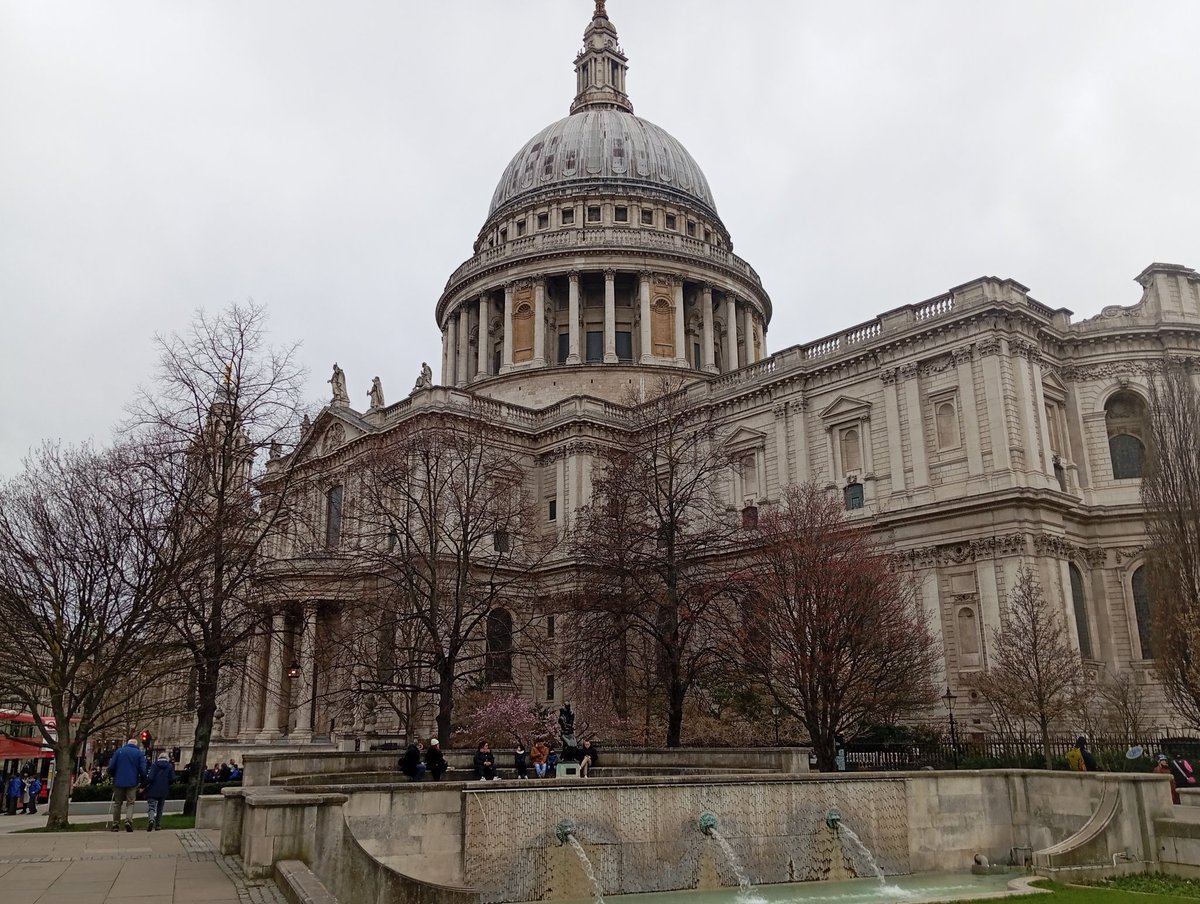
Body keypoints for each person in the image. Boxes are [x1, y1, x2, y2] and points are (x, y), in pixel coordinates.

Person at [108, 738, 148, 832]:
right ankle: (128, 820)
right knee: (130, 802)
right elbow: (143, 769)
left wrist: (114, 775)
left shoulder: (119, 751)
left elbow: (111, 766)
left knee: (117, 803)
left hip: (119, 780)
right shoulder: (139, 753)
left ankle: (115, 824)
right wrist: (143, 781)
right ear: (136, 745)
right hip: (132, 781)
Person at [144, 753, 175, 831]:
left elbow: (150, 777)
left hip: (153, 789)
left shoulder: (154, 765)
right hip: (163, 789)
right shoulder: (170, 766)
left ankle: (151, 819)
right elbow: (172, 779)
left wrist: (143, 786)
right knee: (160, 808)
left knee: (151, 807)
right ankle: (158, 825)